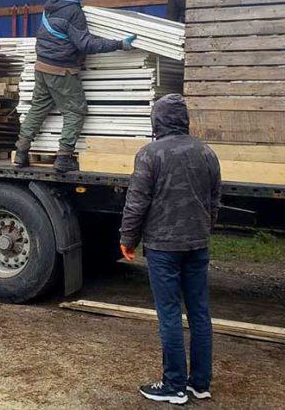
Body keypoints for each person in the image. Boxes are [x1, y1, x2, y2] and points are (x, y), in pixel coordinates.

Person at [119, 94, 222, 405]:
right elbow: (215, 198)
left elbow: (137, 203)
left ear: (157, 121)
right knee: (200, 314)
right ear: (185, 120)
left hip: (163, 247)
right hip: (197, 243)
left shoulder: (149, 155)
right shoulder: (207, 153)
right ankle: (200, 384)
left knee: (170, 315)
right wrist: (205, 229)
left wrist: (127, 238)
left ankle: (174, 386)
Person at [14, 0, 136, 173]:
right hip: (62, 70)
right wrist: (119, 44)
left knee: (38, 108)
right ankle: (63, 157)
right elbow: (86, 44)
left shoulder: (51, 5)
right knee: (75, 110)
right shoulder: (73, 11)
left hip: (42, 67)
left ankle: (20, 153)